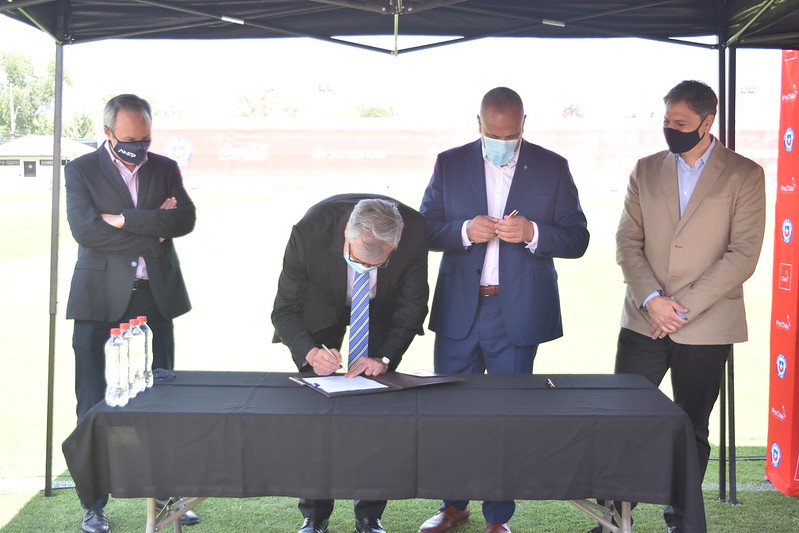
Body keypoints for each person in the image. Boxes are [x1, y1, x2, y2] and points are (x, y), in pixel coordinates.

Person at [594, 80, 766, 533]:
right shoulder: (645, 169)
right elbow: (627, 242)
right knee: (623, 420)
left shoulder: (745, 174)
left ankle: (683, 520)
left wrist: (678, 309)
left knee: (691, 427)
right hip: (643, 320)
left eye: (681, 122)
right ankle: (614, 519)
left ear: (708, 122)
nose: (670, 128)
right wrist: (653, 301)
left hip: (708, 326)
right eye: (667, 120)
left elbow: (743, 255)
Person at [418, 87, 590, 533]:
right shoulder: (449, 163)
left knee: (507, 418)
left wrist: (533, 232)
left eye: (511, 135)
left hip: (516, 315)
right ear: (478, 124)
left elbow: (578, 239)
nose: (502, 142)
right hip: (460, 311)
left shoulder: (552, 167)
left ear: (523, 125)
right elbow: (423, 229)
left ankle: (498, 517)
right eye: (494, 135)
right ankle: (453, 505)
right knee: (450, 414)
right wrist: (462, 230)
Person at [65, 94, 198, 533]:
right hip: (97, 302)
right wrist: (152, 230)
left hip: (154, 299)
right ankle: (93, 504)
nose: (138, 148)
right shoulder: (80, 170)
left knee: (163, 400)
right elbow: (86, 230)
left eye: (145, 139)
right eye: (128, 140)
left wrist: (122, 219)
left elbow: (184, 220)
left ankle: (167, 494)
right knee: (92, 403)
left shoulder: (166, 168)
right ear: (107, 133)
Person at [271, 194, 429, 533]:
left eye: (377, 264)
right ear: (346, 233)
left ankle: (369, 514)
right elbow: (285, 310)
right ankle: (315, 514)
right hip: (320, 307)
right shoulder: (309, 231)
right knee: (316, 415)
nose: (365, 269)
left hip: (381, 311)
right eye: (358, 259)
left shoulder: (415, 231)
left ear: (395, 245)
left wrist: (384, 358)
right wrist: (310, 353)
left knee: (377, 413)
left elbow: (412, 306)